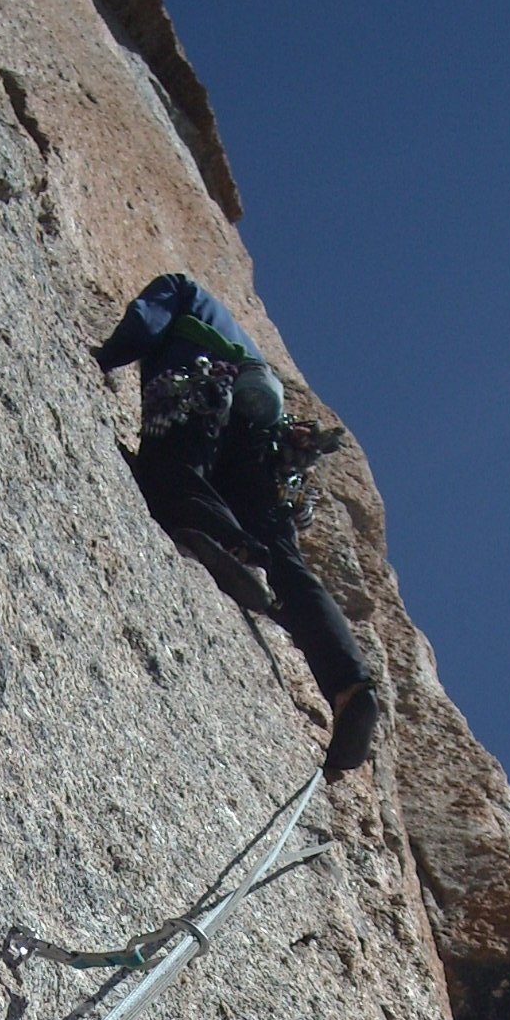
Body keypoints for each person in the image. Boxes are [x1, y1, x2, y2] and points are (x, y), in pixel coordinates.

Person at [93, 274, 380, 778]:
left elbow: (146, 320)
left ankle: (233, 547)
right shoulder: (252, 352)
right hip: (266, 442)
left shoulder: (181, 288)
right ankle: (350, 687)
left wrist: (105, 357)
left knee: (172, 475)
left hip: (204, 386)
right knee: (286, 562)